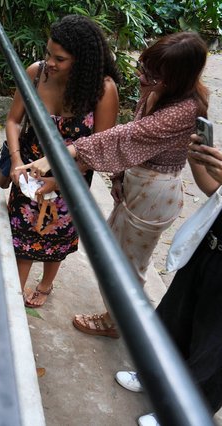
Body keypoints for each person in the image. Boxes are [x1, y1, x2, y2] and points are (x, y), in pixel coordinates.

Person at [17, 31, 209, 335]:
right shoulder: (159, 90)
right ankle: (118, 317)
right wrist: (118, 176)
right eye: (143, 66)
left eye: (150, 72)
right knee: (115, 254)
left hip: (155, 192)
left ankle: (118, 323)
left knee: (129, 266)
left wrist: (64, 153)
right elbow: (133, 139)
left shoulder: (183, 110)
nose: (140, 75)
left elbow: (124, 136)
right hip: (136, 181)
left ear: (175, 77)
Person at [2, 14, 120, 308]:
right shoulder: (35, 73)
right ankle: (13, 299)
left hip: (72, 177)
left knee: (56, 235)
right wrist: (17, 162)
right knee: (23, 237)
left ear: (82, 61)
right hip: (27, 171)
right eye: (48, 54)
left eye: (61, 59)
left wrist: (59, 180)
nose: (50, 63)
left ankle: (46, 283)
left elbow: (99, 149)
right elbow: (14, 121)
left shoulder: (103, 91)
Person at [115, 138, 222, 426]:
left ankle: (184, 414)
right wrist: (197, 160)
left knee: (213, 346)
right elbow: (215, 191)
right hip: (209, 246)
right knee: (176, 316)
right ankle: (155, 379)